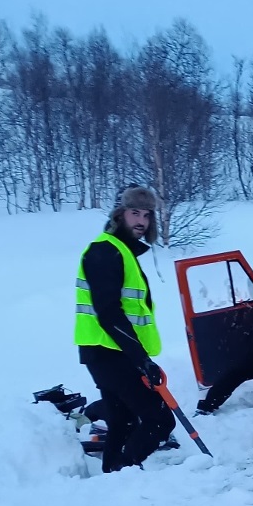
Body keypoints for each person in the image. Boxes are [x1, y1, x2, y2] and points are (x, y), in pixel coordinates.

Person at [75, 185, 174, 473]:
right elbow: (109, 314)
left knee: (123, 421)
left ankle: (113, 477)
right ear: (120, 214)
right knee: (159, 421)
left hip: (111, 352)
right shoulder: (105, 251)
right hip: (109, 352)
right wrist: (140, 358)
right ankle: (126, 472)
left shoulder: (121, 252)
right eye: (134, 213)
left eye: (146, 215)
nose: (141, 221)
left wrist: (138, 356)